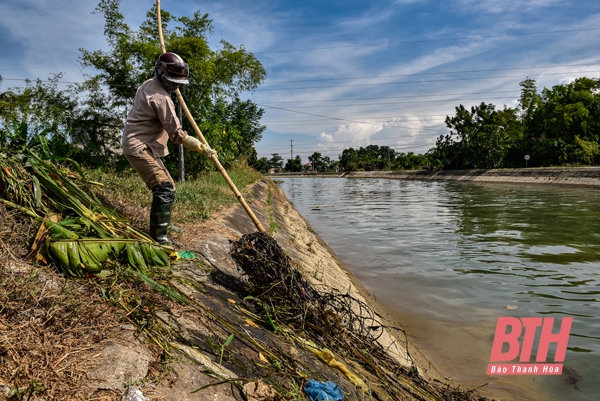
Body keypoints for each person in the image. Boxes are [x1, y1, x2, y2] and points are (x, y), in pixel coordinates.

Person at [122, 52, 216, 245]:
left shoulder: (147, 84)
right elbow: (176, 135)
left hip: (139, 143)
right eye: (171, 82)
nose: (175, 86)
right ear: (159, 74)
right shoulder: (162, 99)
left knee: (169, 185)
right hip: (139, 147)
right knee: (164, 189)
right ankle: (159, 238)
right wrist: (201, 147)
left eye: (178, 83)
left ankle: (164, 224)